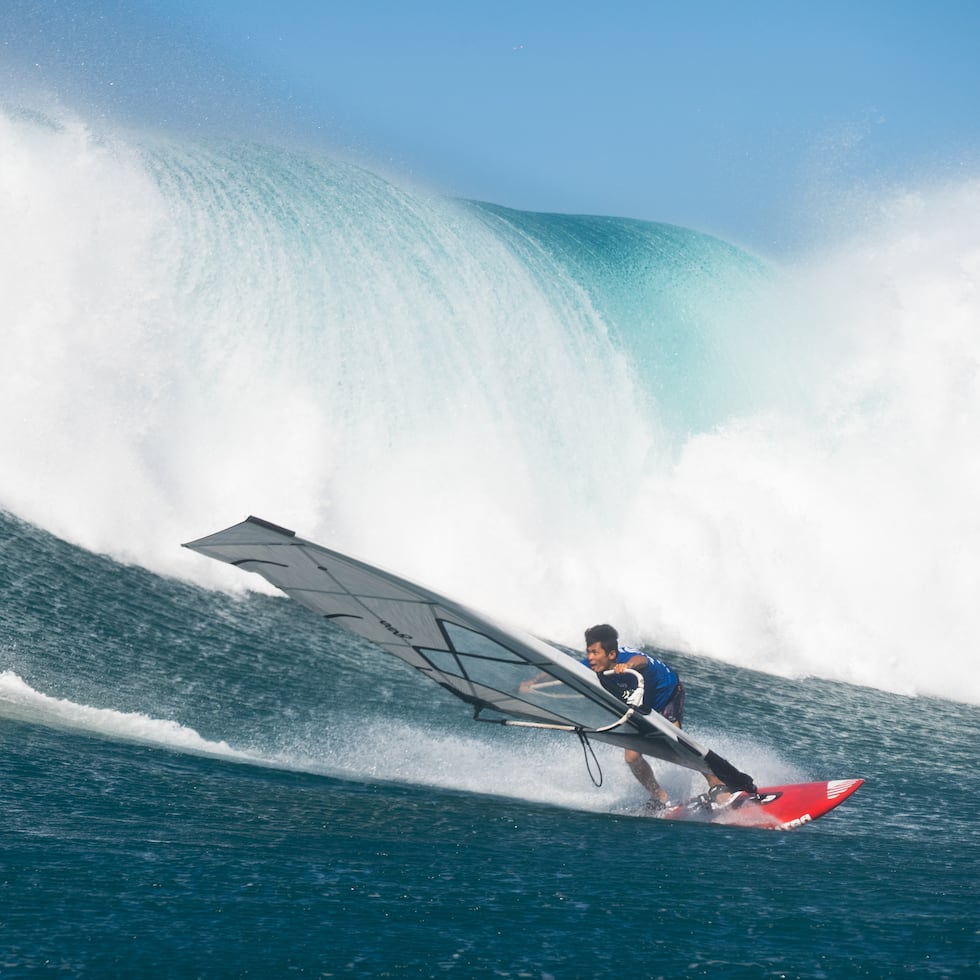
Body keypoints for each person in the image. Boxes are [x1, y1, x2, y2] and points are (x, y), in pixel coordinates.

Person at [582, 623, 740, 811]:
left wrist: (627, 667)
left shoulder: (626, 659)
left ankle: (717, 785)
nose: (590, 658)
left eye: (594, 653)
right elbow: (560, 664)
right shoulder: (593, 664)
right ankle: (659, 797)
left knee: (677, 744)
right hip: (641, 706)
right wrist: (536, 681)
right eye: (588, 652)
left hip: (668, 693)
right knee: (632, 757)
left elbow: (642, 660)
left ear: (611, 655)